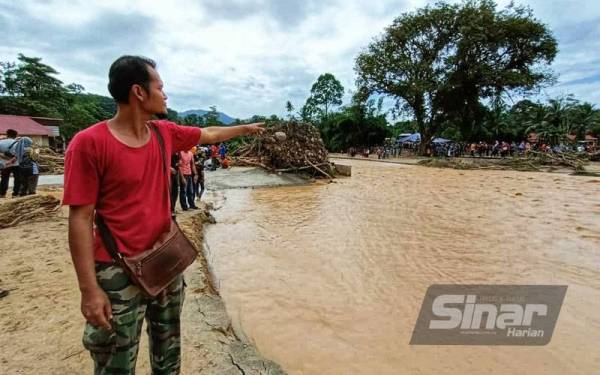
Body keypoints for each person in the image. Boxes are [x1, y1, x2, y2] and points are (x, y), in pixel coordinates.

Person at [63, 55, 263, 374]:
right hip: (116, 272)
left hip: (165, 262)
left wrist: (245, 128)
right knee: (115, 362)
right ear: (139, 92)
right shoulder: (88, 144)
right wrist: (89, 290)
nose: (165, 94)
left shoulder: (164, 133)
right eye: (160, 87)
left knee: (168, 354)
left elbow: (208, 133)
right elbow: (80, 219)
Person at [0, 129, 19, 198]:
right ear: (16, 135)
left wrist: (4, 157)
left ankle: (2, 194)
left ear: (7, 135)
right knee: (17, 179)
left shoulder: (1, 142)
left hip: (4, 164)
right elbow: (19, 154)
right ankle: (15, 194)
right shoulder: (18, 143)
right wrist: (12, 159)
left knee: (4, 179)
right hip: (16, 164)